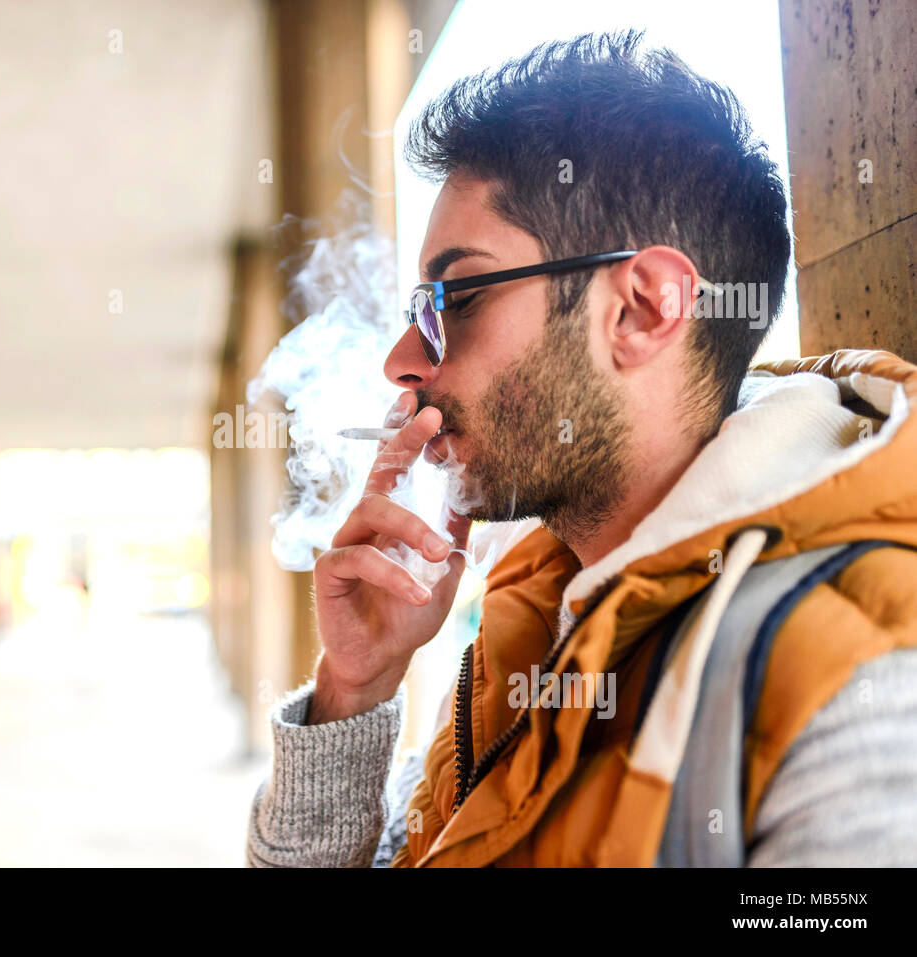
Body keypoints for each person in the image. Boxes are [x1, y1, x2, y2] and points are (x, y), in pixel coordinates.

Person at [247, 31, 917, 867]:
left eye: (454, 298)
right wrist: (355, 687)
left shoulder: (864, 693)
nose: (402, 362)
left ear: (642, 309)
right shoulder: (539, 612)